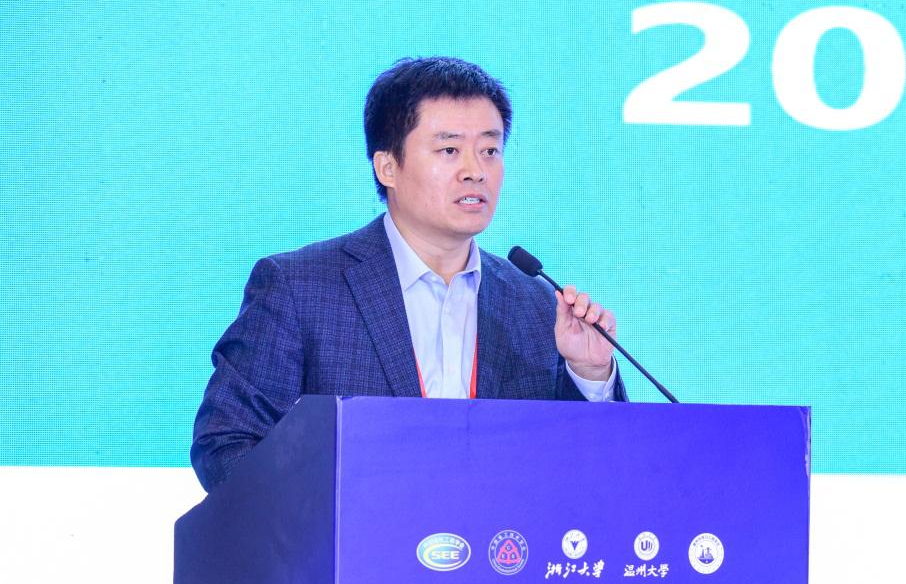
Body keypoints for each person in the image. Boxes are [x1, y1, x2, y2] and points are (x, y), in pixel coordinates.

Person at [191, 57, 623, 492]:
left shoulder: (534, 302)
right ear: (388, 168)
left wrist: (589, 373)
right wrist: (330, 512)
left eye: (490, 150)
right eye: (449, 150)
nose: (476, 171)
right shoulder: (299, 288)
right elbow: (226, 444)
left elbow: (589, 466)